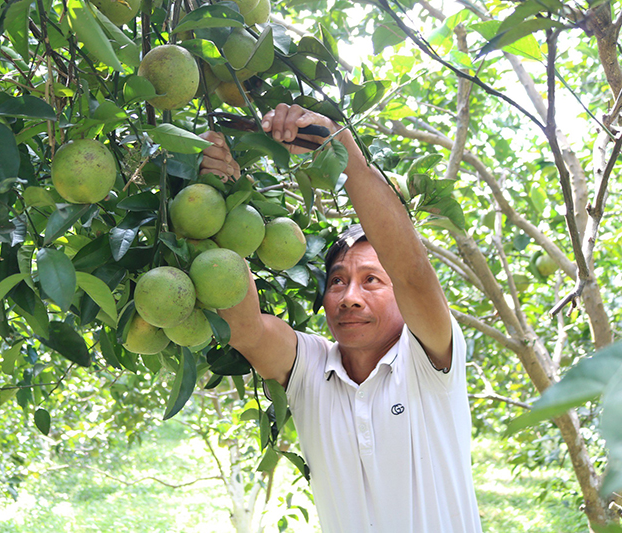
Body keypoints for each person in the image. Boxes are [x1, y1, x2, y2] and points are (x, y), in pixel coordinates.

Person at [198, 104, 482, 532]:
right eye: (337, 281)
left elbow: (413, 274)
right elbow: (244, 327)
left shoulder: (429, 363)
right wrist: (221, 196)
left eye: (371, 280)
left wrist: (344, 154)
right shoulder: (311, 368)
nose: (350, 297)